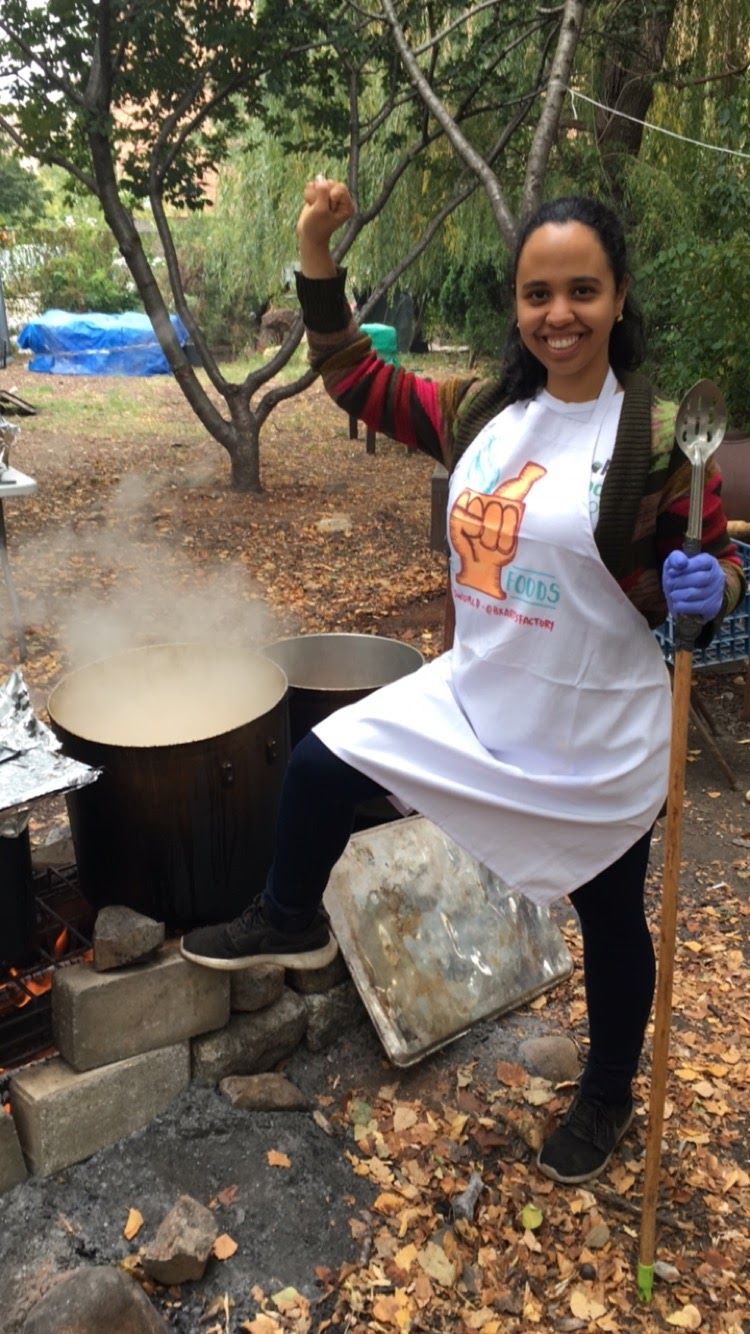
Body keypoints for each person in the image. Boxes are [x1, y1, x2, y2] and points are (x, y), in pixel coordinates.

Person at [182, 179, 745, 1185]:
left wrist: (715, 583)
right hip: (479, 691)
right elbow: (355, 376)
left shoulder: (655, 438)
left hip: (593, 723)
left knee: (608, 913)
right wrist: (317, 249)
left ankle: (608, 1086)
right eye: (538, 293)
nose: (558, 313)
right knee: (319, 761)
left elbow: (701, 582)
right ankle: (290, 914)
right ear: (517, 305)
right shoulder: (485, 411)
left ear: (617, 297)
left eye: (582, 289)